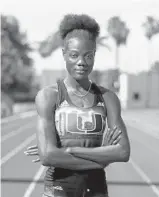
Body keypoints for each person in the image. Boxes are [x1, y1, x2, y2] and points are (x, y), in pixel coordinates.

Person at [24, 14, 130, 197]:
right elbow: (48, 155)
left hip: (96, 187)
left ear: (94, 56)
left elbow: (122, 151)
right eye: (74, 55)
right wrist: (102, 159)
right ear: (64, 54)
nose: (81, 62)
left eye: (88, 56)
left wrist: (70, 150)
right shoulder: (49, 96)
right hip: (59, 186)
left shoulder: (108, 98)